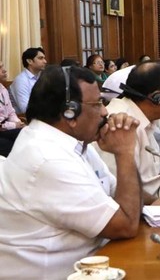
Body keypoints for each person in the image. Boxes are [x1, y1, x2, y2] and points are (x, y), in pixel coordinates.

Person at [0, 65, 142, 278]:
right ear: (70, 113)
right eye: (98, 104)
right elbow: (125, 225)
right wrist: (125, 153)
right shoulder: (47, 158)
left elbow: (126, 200)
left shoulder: (73, 144)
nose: (105, 112)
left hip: (97, 264)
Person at [93, 62, 160, 204]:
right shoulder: (119, 124)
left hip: (154, 207)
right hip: (139, 213)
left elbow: (151, 183)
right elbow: (120, 192)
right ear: (157, 98)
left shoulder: (145, 120)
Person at [9, 47, 47, 114]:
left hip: (41, 116)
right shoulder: (21, 81)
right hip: (24, 119)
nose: (45, 61)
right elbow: (25, 109)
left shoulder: (42, 77)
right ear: (29, 61)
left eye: (44, 58)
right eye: (40, 58)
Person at [0, 61, 25, 156]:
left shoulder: (2, 88)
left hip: (6, 128)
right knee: (11, 146)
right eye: (0, 68)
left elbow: (10, 112)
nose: (5, 71)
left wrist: (19, 123)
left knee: (27, 134)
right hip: (3, 128)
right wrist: (14, 125)